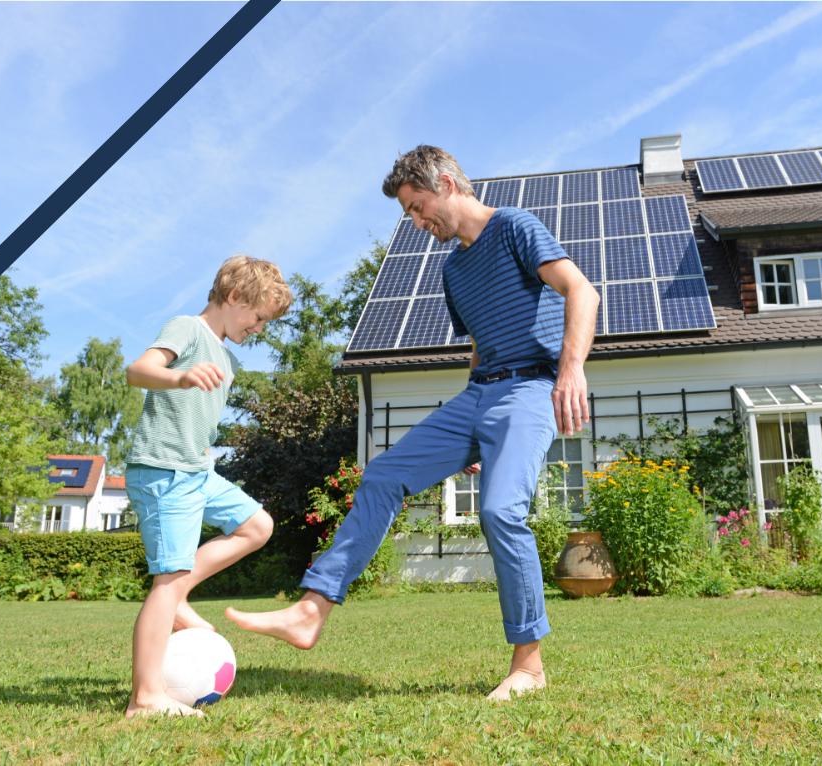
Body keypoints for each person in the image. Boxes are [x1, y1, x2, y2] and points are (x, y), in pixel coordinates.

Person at [227, 145, 599, 700]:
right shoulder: (453, 269)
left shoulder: (516, 227)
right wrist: (468, 431)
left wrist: (571, 372)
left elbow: (581, 291)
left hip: (531, 387)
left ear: (447, 184)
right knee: (382, 475)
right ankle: (311, 609)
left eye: (417, 206)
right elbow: (480, 348)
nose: (416, 221)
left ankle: (529, 666)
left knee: (500, 511)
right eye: (409, 213)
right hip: (480, 395)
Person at [123, 255, 293, 718]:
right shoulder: (188, 328)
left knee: (257, 526)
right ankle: (146, 697)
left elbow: (196, 419)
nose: (259, 328)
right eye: (258, 317)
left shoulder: (226, 356)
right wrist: (179, 375)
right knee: (168, 578)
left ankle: (176, 596)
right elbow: (138, 370)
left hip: (196, 471)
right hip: (163, 471)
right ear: (234, 297)